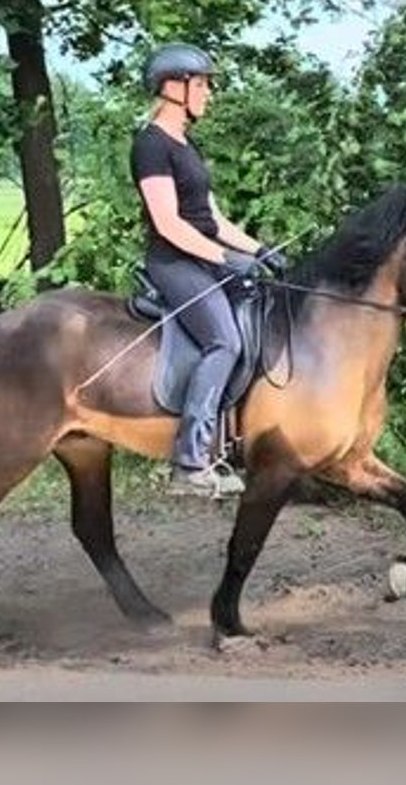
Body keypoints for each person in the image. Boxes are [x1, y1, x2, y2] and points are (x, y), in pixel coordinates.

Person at [129, 43, 288, 498]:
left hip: (202, 255)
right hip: (173, 262)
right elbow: (168, 224)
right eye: (201, 84)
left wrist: (260, 250)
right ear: (172, 87)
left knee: (259, 316)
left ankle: (231, 443)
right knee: (224, 341)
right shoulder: (151, 145)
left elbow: (212, 220)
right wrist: (224, 259)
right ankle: (189, 462)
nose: (209, 93)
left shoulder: (187, 145)